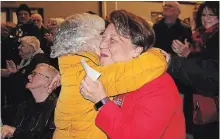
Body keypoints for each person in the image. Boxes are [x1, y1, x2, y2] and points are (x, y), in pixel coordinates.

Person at [50, 12, 168, 139]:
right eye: (101, 36)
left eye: (112, 40)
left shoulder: (76, 66)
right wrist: (157, 55)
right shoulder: (88, 73)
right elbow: (136, 71)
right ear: (83, 42)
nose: (102, 44)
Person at [79, 10, 185, 139]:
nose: (102, 45)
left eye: (112, 40)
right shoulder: (111, 74)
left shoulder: (158, 84)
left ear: (136, 50)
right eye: (103, 38)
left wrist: (100, 101)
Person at [169, 2, 219, 139]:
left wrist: (188, 54)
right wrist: (183, 54)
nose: (206, 18)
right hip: (196, 95)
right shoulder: (200, 35)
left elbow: (211, 68)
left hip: (211, 99)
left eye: (212, 15)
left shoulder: (216, 37)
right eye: (203, 14)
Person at [1, 63, 58, 139]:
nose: (28, 76)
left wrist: (14, 132)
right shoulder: (25, 106)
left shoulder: (57, 110)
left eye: (34, 74)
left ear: (47, 81)